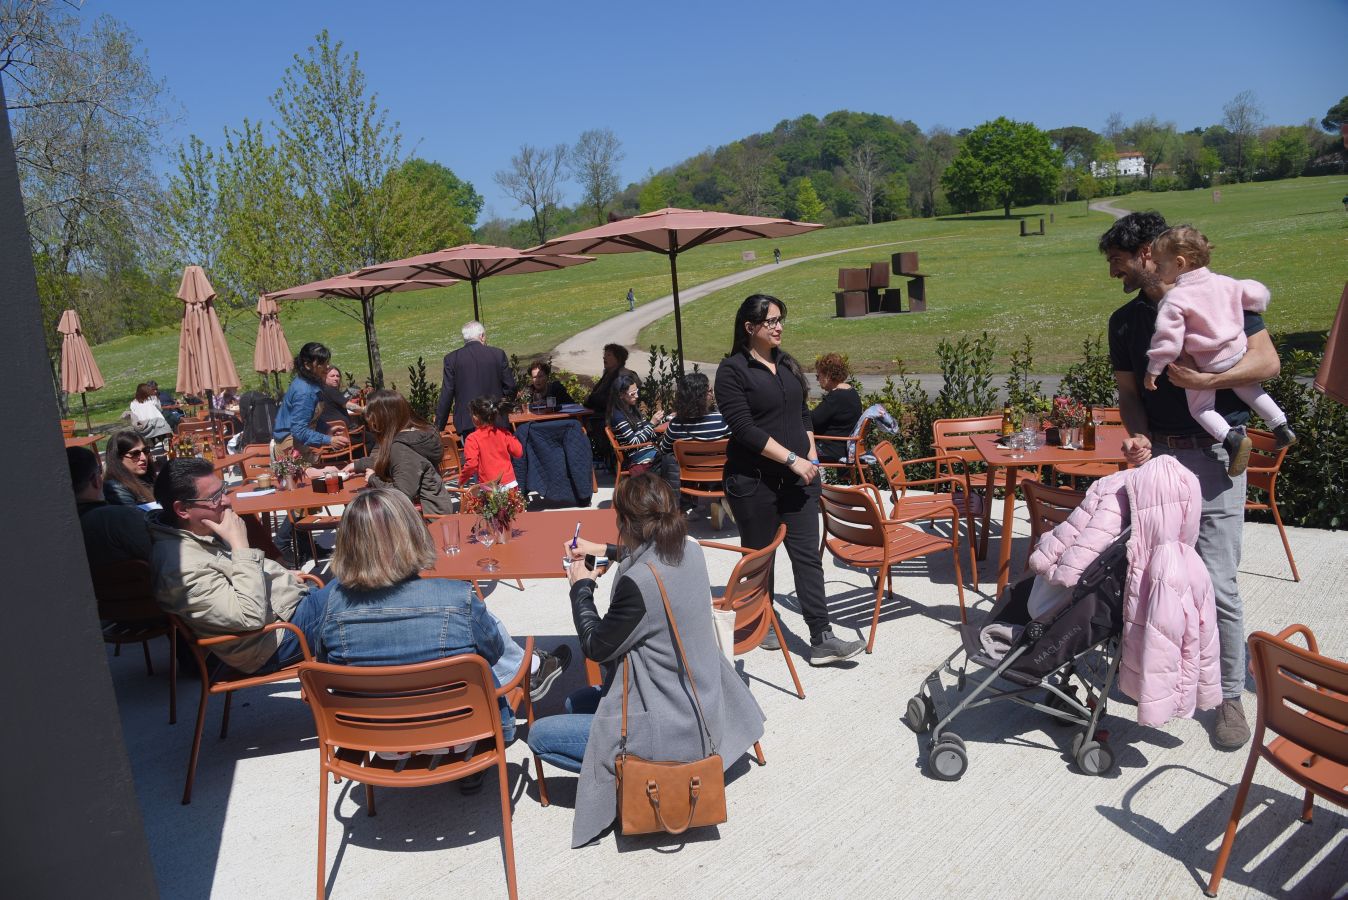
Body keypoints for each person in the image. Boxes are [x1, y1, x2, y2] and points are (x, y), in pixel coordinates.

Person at [1100, 210, 1280, 750]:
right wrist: (1139, 437)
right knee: (1153, 575)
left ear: (1149, 253)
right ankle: (1160, 676)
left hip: (1217, 453)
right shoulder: (1125, 322)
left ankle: (1227, 697)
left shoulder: (1222, 295)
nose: (1114, 273)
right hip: (1161, 463)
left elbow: (1267, 363)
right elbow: (1130, 393)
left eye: (1118, 261)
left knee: (1218, 582)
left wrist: (1209, 380)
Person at [528, 474, 765, 848]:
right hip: (703, 702)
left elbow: (596, 645)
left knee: (540, 735)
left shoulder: (637, 583)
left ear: (624, 522)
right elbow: (652, 558)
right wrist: (605, 550)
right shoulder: (690, 547)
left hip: (670, 730)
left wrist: (581, 586)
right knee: (576, 702)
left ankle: (626, 784)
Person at [316, 489, 572, 755]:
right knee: (481, 656)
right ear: (413, 535)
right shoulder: (456, 597)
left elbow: (328, 670)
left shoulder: (332, 606)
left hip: (376, 738)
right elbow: (495, 653)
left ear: (347, 544)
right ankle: (533, 668)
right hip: (462, 732)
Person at [715, 293, 865, 666]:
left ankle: (822, 638)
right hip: (753, 482)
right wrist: (794, 459)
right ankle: (758, 623)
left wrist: (811, 456)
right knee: (759, 558)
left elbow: (802, 416)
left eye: (781, 319)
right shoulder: (732, 371)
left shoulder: (787, 365)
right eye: (771, 321)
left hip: (798, 481)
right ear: (750, 328)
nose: (779, 326)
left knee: (807, 559)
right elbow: (744, 429)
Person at [148, 458, 329, 675]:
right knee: (363, 591)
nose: (226, 500)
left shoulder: (196, 534)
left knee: (361, 581)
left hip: (290, 610)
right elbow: (250, 617)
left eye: (223, 490)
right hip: (272, 643)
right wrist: (240, 545)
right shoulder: (179, 568)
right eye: (214, 497)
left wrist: (281, 574)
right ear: (182, 509)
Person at [1143, 224, 1295, 476]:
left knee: (1201, 409)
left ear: (1180, 263)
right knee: (1250, 389)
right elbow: (1256, 294)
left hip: (1208, 362)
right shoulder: (1225, 283)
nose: (1157, 271)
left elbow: (1167, 340)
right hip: (1237, 353)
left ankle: (1231, 438)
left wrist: (1153, 369)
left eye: (1159, 265)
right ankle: (1281, 426)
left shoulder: (1176, 298)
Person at [344, 390, 454, 514]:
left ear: (384, 417)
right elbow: (393, 461)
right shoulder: (416, 434)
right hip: (435, 508)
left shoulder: (401, 447)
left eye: (372, 417)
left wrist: (373, 479)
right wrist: (357, 465)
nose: (370, 423)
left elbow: (402, 495)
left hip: (426, 518)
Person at [68, 446, 151, 567]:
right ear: (96, 480)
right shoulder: (119, 518)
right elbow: (160, 556)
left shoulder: (56, 529)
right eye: (99, 472)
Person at [434, 320, 516, 438]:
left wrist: (439, 426)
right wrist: (503, 407)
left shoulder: (452, 359)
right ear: (482, 336)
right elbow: (511, 387)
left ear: (465, 339)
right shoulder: (498, 354)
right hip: (496, 419)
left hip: (469, 422)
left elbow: (446, 395)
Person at [273, 342, 350, 456]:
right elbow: (299, 430)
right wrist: (329, 440)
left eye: (327, 362)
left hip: (299, 444)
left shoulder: (311, 384)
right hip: (290, 447)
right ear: (307, 365)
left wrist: (326, 429)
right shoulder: (304, 392)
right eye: (321, 363)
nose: (327, 366)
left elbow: (309, 418)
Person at [657, 372, 731, 454]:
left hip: (685, 466)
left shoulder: (676, 425)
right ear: (702, 396)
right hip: (720, 465)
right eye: (710, 390)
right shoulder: (723, 421)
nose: (712, 394)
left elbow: (664, 450)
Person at [810, 352, 863, 464]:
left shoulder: (837, 397)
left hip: (832, 450)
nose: (817, 380)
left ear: (828, 375)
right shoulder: (851, 392)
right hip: (842, 446)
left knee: (792, 448)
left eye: (818, 376)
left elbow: (812, 420)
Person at [459, 396, 523, 488]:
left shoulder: (472, 439)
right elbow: (518, 452)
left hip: (490, 486)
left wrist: (462, 480)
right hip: (510, 483)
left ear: (475, 418)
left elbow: (471, 465)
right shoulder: (503, 433)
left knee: (492, 503)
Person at [102, 429, 158, 506]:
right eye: (135, 453)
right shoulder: (115, 488)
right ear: (118, 458)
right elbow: (132, 516)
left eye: (145, 450)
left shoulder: (147, 477)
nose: (143, 458)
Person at [582, 343, 632, 414]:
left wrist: (591, 399)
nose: (604, 357)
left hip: (611, 418)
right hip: (596, 413)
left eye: (608, 355)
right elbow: (595, 394)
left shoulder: (623, 376)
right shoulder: (607, 374)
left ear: (619, 359)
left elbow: (612, 401)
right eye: (604, 355)